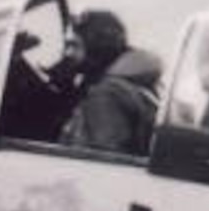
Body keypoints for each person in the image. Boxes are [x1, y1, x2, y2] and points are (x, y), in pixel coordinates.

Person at [59, 10, 163, 156]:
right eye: (67, 46)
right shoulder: (136, 79)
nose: (67, 53)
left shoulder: (105, 97)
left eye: (74, 45)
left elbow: (101, 160)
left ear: (97, 47)